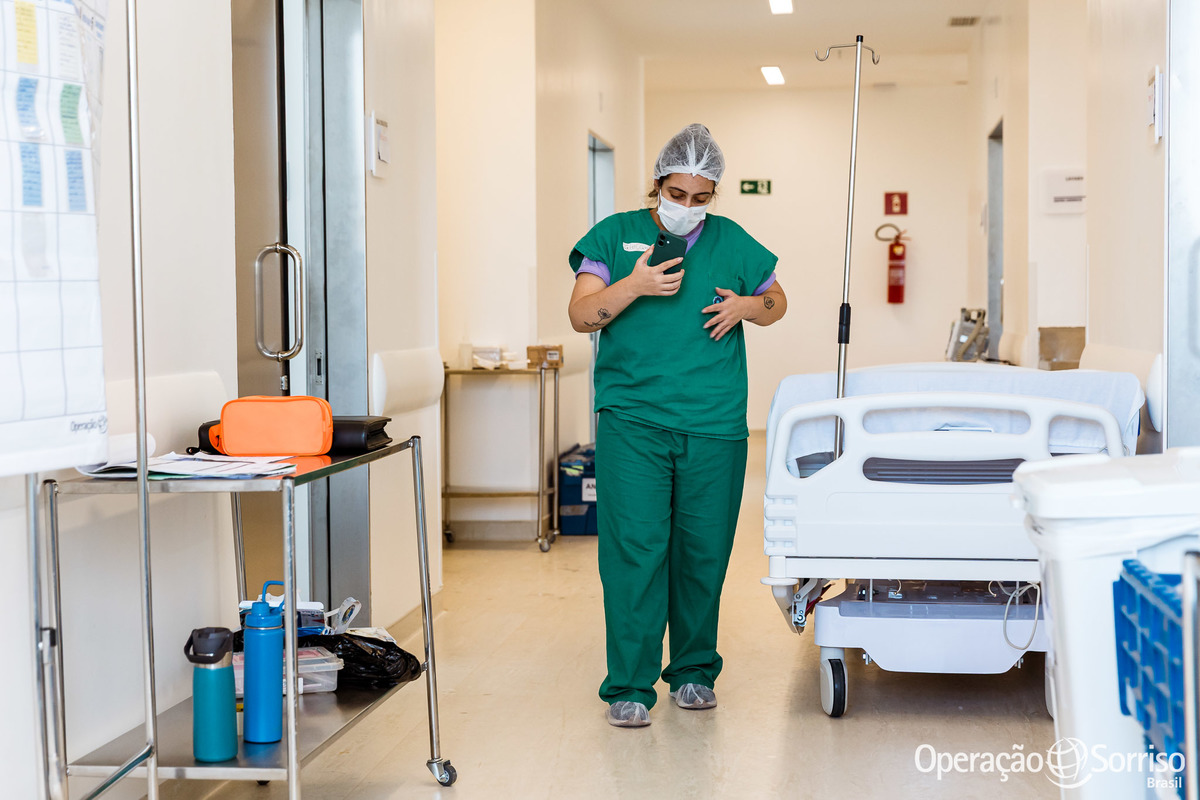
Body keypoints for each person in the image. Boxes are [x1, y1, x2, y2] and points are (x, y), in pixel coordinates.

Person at [567, 123, 787, 727]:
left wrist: (748, 306)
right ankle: (631, 686)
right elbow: (583, 315)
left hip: (713, 423)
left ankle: (693, 672)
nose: (687, 208)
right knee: (635, 551)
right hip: (633, 421)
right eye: (677, 194)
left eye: (700, 198)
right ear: (657, 185)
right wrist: (634, 284)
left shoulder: (732, 241)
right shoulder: (614, 237)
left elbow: (776, 302)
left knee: (703, 552)